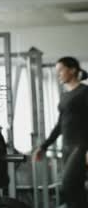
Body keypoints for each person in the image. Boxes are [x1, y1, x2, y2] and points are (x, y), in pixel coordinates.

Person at [33, 56, 88, 208]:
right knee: (75, 188)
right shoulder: (64, 96)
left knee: (67, 185)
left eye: (61, 70)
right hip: (67, 147)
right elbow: (60, 125)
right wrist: (43, 146)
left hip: (81, 146)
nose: (58, 74)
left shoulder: (84, 92)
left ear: (72, 70)